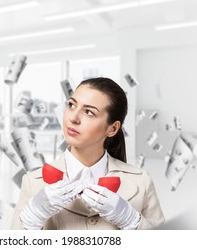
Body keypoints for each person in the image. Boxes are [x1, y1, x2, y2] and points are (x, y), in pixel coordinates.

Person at [11, 77, 165, 230]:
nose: (73, 118)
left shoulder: (141, 182)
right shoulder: (33, 183)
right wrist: (31, 218)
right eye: (71, 105)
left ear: (112, 129)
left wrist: (132, 221)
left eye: (89, 112)